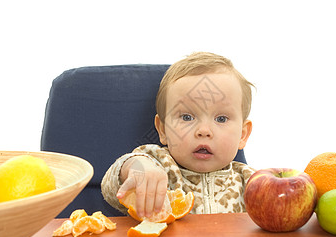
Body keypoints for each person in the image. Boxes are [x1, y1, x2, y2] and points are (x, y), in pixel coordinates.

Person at [101, 52, 256, 218]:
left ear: (242, 135)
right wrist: (137, 169)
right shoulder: (159, 164)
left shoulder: (250, 181)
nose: (204, 131)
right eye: (187, 117)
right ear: (163, 130)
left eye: (221, 119)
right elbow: (110, 188)